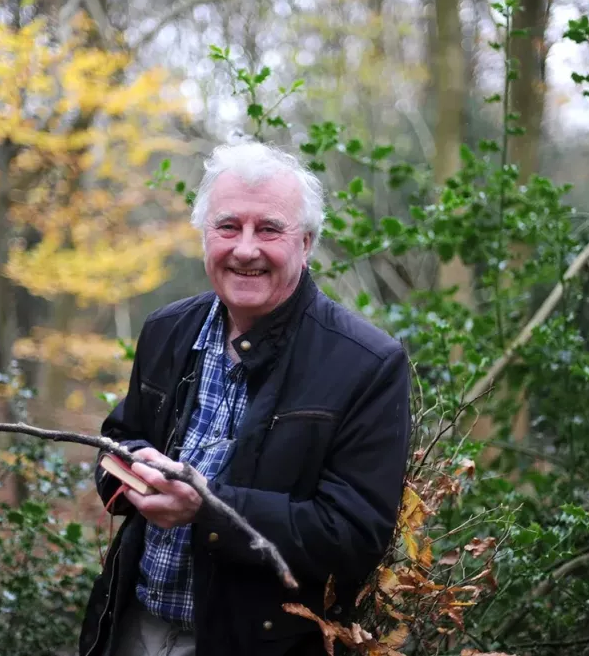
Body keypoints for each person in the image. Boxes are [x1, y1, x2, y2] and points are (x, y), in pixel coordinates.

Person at [78, 141, 411, 656]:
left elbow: (353, 536)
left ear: (306, 243)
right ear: (204, 237)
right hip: (132, 626)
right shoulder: (167, 329)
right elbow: (119, 439)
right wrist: (132, 474)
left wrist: (207, 507)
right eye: (228, 227)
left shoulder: (366, 364)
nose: (246, 249)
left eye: (269, 229)